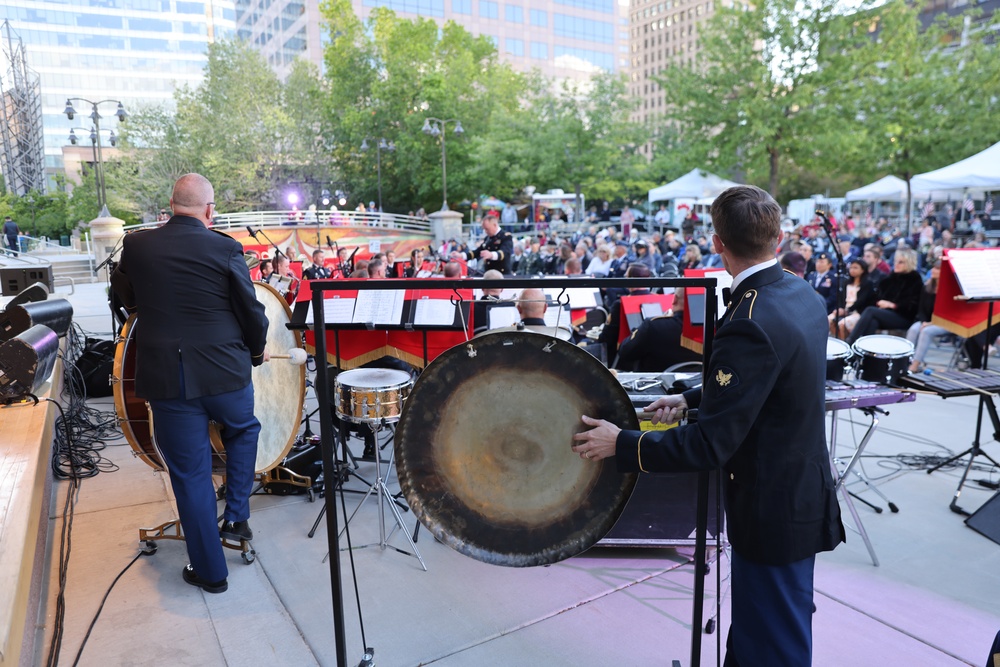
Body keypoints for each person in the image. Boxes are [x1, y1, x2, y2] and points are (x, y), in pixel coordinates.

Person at [573, 185, 844, 665]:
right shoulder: (801, 294)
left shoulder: (751, 319)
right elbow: (769, 381)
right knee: (764, 635)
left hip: (770, 511)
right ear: (778, 237)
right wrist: (693, 395)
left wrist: (622, 444)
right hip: (799, 494)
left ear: (717, 243)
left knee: (772, 648)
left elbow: (708, 446)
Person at [111, 173, 269, 594]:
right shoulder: (225, 247)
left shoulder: (138, 245)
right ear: (209, 210)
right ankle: (236, 515)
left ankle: (211, 573)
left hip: (168, 376)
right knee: (244, 429)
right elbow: (251, 312)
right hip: (225, 373)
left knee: (191, 475)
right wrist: (256, 352)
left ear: (170, 205)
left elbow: (122, 293)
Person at [846, 248, 923, 344]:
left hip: (904, 317)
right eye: (895, 261)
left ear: (909, 263)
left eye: (901, 262)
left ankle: (850, 342)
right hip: (886, 314)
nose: (896, 264)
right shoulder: (891, 277)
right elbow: (878, 296)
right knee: (873, 321)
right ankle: (865, 353)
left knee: (871, 310)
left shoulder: (915, 279)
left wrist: (893, 305)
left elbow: (914, 306)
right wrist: (879, 302)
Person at [615, 287, 702, 372]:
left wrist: (638, 330)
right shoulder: (710, 330)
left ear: (674, 299)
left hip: (654, 384)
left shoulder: (653, 325)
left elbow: (625, 352)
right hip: (699, 385)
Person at [829, 259, 875, 338]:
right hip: (844, 310)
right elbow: (841, 298)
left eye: (855, 268)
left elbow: (861, 301)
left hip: (858, 312)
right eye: (851, 268)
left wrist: (847, 310)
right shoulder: (846, 282)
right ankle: (838, 340)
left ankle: (846, 344)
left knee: (842, 323)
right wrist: (840, 308)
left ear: (862, 270)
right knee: (828, 319)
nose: (852, 270)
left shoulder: (868, 284)